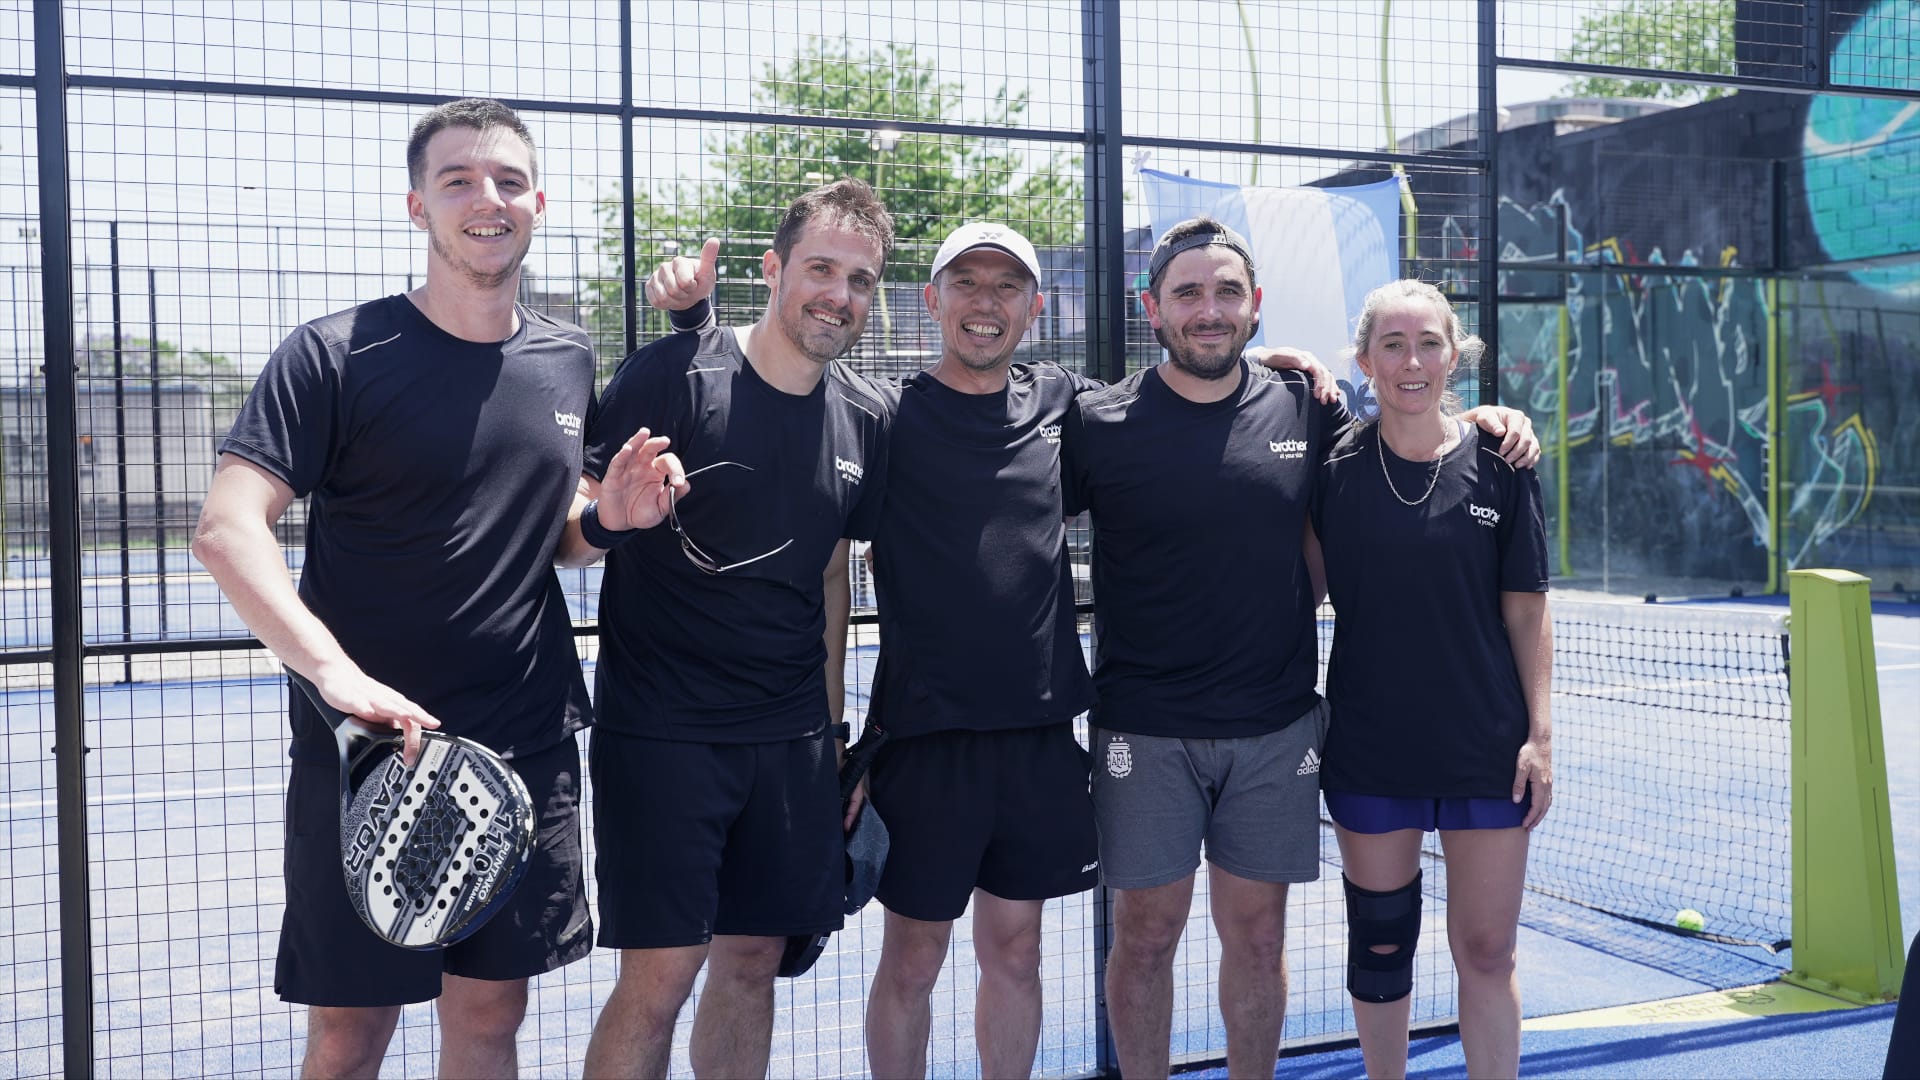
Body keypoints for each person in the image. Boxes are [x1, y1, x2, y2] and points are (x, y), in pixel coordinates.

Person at [647, 219, 1340, 1079]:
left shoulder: (1067, 406)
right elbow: (778, 406)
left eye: (1006, 286)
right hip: (924, 742)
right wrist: (693, 329)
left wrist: (1286, 363)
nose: (986, 303)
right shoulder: (881, 415)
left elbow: (1186, 408)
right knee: (912, 961)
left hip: (1043, 739)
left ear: (1035, 308)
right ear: (931, 301)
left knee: (1015, 954)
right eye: (965, 284)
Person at [191, 99, 680, 1078]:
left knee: (492, 1019)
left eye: (505, 180)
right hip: (370, 757)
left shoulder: (565, 359)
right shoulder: (333, 355)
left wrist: (611, 525)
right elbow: (225, 530)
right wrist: (338, 677)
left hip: (522, 745)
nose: (484, 199)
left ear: (537, 203)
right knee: (348, 1035)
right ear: (418, 206)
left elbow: (550, 538)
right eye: (457, 180)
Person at [1059, 216, 1539, 1080]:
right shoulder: (1101, 422)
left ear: (1256, 307)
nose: (1209, 310)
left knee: (1257, 936)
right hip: (1144, 729)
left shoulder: (1305, 408)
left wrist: (1492, 419)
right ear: (1152, 306)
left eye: (1227, 293)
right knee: (1144, 936)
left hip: (1276, 729)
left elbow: (1415, 425)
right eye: (1189, 293)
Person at [566, 178, 893, 1080]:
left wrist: (829, 735)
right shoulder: (674, 375)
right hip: (662, 735)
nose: (839, 293)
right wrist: (606, 524)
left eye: (860, 279)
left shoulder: (867, 418)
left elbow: (830, 568)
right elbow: (572, 532)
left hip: (788, 746)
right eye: (821, 268)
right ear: (774, 268)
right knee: (662, 977)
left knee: (752, 965)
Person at [1307, 278, 1552, 1079]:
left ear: (1455, 356)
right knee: (1381, 945)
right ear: (1365, 359)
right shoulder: (1332, 467)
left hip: (1485, 748)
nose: (1412, 361)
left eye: (1429, 344)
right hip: (1371, 750)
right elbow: (1298, 587)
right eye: (1392, 344)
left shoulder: (1503, 460)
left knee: (1486, 949)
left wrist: (1539, 737)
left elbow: (1526, 611)